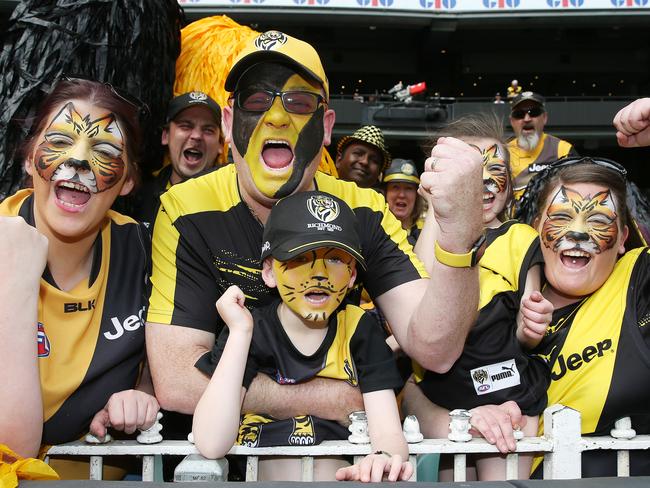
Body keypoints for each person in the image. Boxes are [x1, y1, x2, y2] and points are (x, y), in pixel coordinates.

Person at [146, 30, 485, 432]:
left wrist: (460, 235)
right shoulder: (187, 209)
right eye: (255, 101)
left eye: (298, 102)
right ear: (228, 121)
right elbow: (177, 379)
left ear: (325, 126)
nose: (275, 117)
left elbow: (436, 349)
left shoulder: (363, 210)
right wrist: (328, 397)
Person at [193, 191, 412, 482]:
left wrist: (383, 458)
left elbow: (388, 433)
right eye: (299, 258)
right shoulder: (251, 330)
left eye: (335, 259)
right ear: (269, 272)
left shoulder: (359, 329)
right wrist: (239, 333)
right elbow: (210, 442)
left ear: (352, 276)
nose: (319, 274)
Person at [0, 79, 158, 472]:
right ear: (27, 157)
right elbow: (12, 447)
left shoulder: (145, 250)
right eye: (58, 141)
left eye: (105, 151)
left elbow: (170, 360)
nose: (79, 162)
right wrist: (17, 285)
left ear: (128, 182)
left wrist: (141, 395)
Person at [403, 113, 553, 480]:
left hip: (505, 393)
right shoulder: (428, 236)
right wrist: (444, 209)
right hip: (444, 394)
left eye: (493, 171)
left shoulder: (520, 237)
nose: (482, 184)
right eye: (470, 173)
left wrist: (532, 326)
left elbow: (526, 326)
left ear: (510, 186)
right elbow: (423, 286)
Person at [512, 154, 650, 478]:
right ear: (536, 231)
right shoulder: (500, 303)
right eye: (561, 216)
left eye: (600, 222)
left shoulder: (637, 280)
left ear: (622, 240)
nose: (577, 233)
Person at [132, 91, 223, 229]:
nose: (197, 136)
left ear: (221, 145)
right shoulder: (137, 199)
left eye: (208, 130)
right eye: (185, 126)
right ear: (165, 136)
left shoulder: (233, 205)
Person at [508, 92, 578, 201]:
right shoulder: (503, 153)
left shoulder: (563, 150)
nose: (527, 118)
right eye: (519, 114)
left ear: (544, 117)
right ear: (512, 121)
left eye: (534, 112)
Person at [382, 158, 424, 245]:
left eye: (409, 188)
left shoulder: (426, 231)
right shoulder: (374, 228)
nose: (402, 195)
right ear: (385, 193)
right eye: (395, 187)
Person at [335, 125, 391, 189]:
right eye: (358, 153)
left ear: (379, 175)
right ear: (338, 160)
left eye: (374, 160)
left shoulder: (379, 199)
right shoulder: (323, 188)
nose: (365, 162)